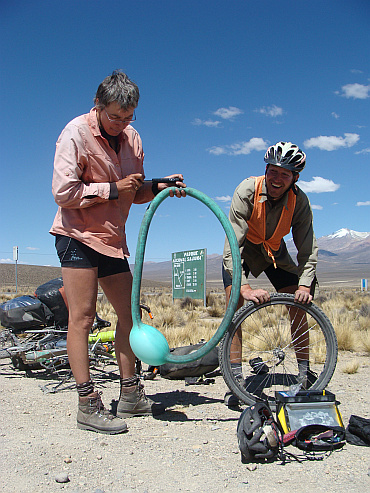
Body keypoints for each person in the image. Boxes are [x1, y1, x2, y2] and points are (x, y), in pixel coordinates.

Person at [50, 70, 186, 434]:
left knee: (130, 315)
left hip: (111, 238)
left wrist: (160, 186)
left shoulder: (132, 139)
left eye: (129, 117)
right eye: (115, 117)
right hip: (77, 234)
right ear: (98, 106)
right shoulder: (76, 133)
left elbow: (135, 191)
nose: (122, 124)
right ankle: (87, 403)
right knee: (82, 316)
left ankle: (129, 394)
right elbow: (63, 192)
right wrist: (111, 188)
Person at [222, 141, 318, 406]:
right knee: (235, 305)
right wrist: (245, 289)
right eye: (273, 171)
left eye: (284, 174)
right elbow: (233, 243)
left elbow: (308, 246)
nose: (277, 178)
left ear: (294, 178)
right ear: (265, 169)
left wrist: (305, 285)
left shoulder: (299, 201)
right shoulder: (247, 190)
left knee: (300, 304)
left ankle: (304, 373)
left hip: (275, 251)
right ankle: (236, 379)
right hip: (243, 250)